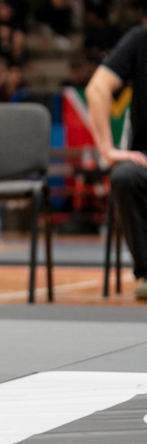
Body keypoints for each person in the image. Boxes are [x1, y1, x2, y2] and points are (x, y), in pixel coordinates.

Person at [85, 24, 147, 301]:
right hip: (143, 160)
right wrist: (107, 150)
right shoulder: (140, 40)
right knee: (125, 176)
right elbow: (97, 89)